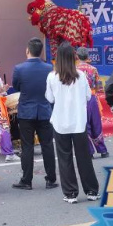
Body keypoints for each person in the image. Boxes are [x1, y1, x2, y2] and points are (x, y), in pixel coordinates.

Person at [46, 43, 99, 204]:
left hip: (60, 123)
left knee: (65, 158)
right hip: (78, 122)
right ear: (73, 57)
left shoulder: (52, 76)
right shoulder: (81, 76)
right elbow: (88, 96)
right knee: (84, 157)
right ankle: (91, 190)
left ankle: (70, 193)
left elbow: (50, 98)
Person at [11, 38, 58, 191]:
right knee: (47, 145)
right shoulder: (49, 67)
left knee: (27, 146)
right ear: (41, 51)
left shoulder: (19, 68)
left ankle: (26, 180)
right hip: (44, 111)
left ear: (27, 50)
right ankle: (51, 179)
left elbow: (16, 86)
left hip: (26, 111)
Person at [75, 47, 108, 159]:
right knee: (96, 123)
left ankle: (89, 152)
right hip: (92, 98)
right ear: (87, 56)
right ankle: (102, 150)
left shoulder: (74, 70)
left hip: (79, 99)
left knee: (85, 124)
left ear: (77, 56)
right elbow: (98, 87)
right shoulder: (93, 69)